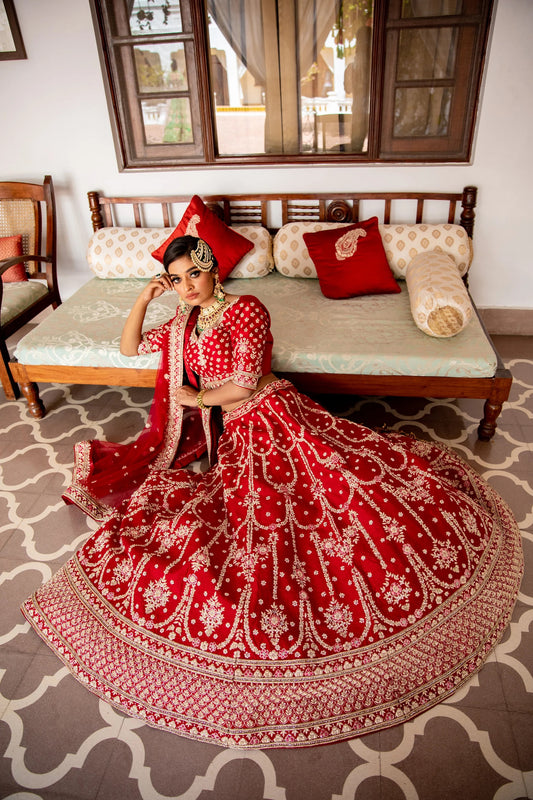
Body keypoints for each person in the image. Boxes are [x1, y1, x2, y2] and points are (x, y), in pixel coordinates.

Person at [23, 236, 523, 749]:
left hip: (268, 411)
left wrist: (196, 396)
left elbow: (245, 381)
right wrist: (145, 298)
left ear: (211, 267)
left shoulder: (248, 309)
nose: (187, 287)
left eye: (192, 274)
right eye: (176, 280)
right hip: (233, 426)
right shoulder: (184, 321)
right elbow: (130, 348)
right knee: (245, 509)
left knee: (328, 482)